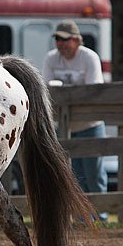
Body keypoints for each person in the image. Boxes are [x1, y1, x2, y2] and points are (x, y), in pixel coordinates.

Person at [42, 20, 108, 221]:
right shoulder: (51, 58)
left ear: (77, 40)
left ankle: (100, 215)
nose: (60, 43)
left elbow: (94, 91)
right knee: (73, 175)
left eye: (64, 39)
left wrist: (67, 97)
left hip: (90, 124)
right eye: (57, 39)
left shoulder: (89, 57)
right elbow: (46, 89)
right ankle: (81, 217)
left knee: (94, 173)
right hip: (63, 125)